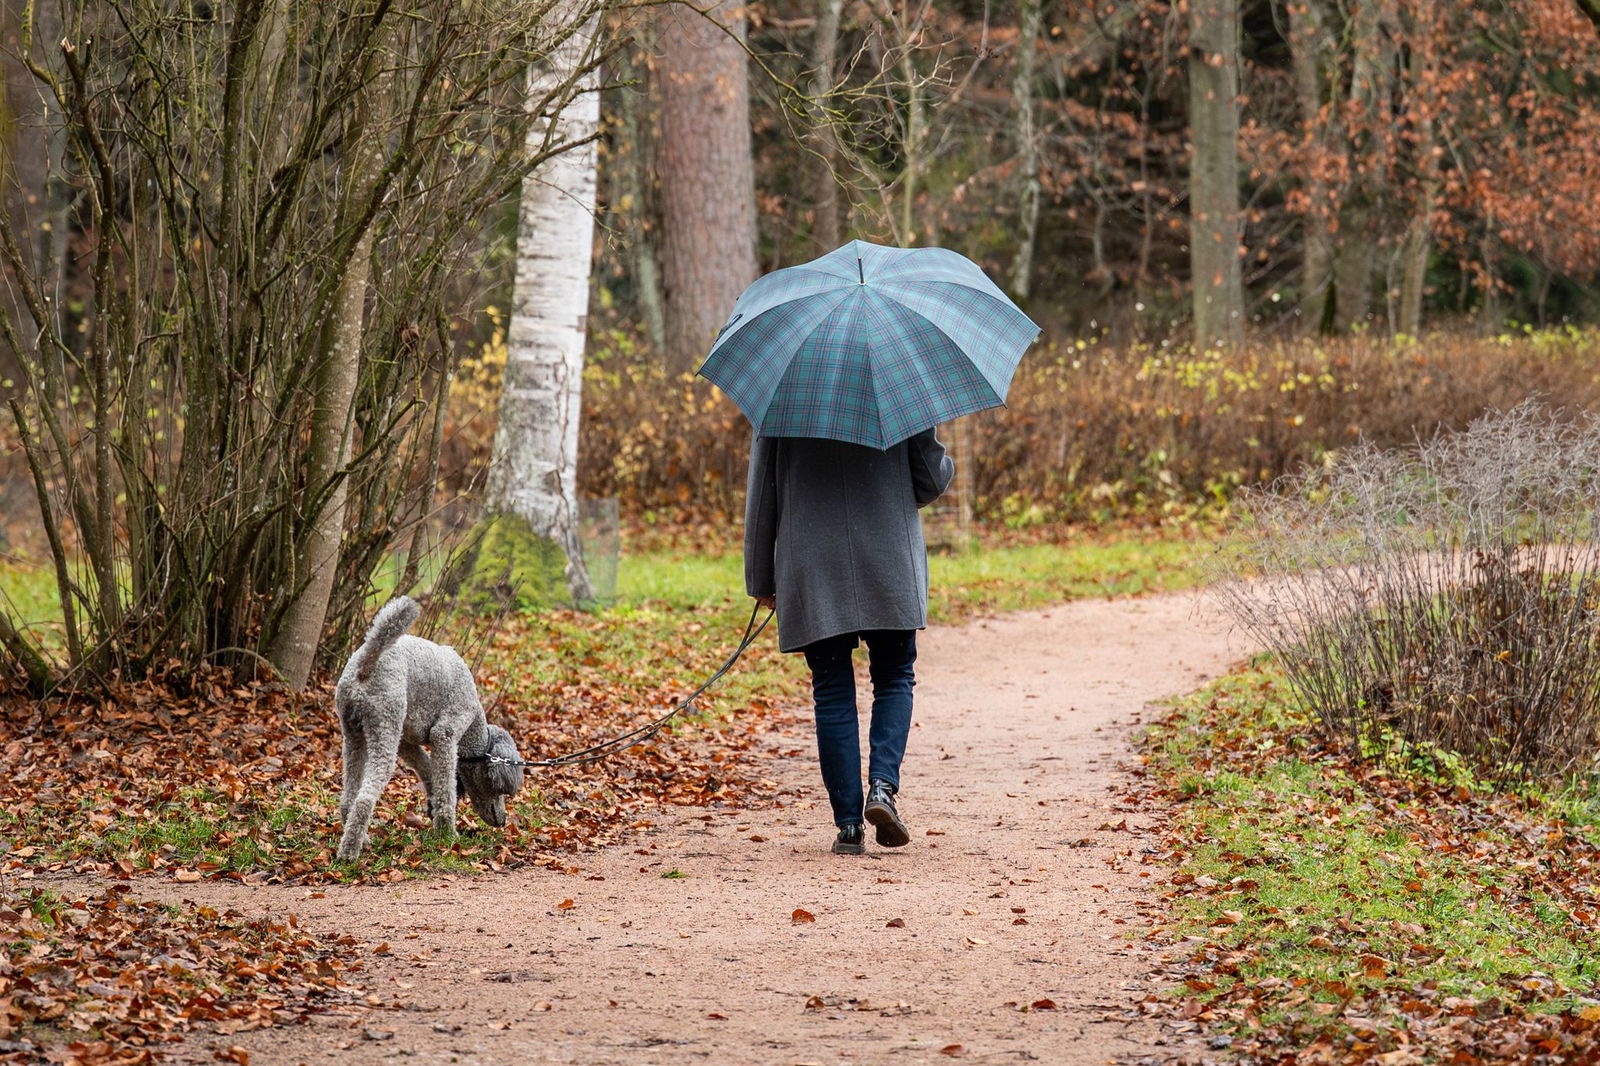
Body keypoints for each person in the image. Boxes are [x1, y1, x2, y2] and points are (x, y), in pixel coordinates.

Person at [743, 427, 955, 855]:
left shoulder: (786, 393)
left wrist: (761, 576)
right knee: (895, 676)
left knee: (831, 689)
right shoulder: (898, 385)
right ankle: (882, 789)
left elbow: (762, 495)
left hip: (813, 560)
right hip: (888, 555)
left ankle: (849, 826)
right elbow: (931, 481)